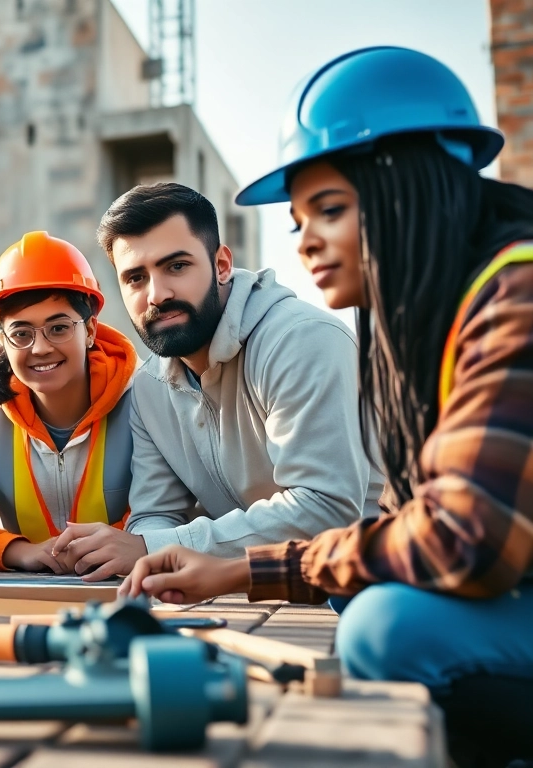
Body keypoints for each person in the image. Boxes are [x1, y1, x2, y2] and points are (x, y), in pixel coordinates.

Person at [122, 47, 533, 766]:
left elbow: (468, 540)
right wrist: (244, 567)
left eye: (332, 210)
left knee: (386, 627)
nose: (305, 241)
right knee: (361, 600)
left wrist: (247, 570)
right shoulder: (436, 311)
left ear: (408, 187)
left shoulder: (516, 298)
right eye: (299, 219)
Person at [65, 182, 383, 581]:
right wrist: (145, 557)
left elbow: (325, 511)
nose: (157, 295)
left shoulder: (301, 340)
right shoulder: (149, 386)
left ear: (221, 265)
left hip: (362, 586)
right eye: (135, 278)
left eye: (176, 266)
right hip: (235, 591)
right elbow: (155, 515)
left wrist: (154, 549)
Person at [0, 232, 138, 573]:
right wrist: (19, 551)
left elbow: (167, 512)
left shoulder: (144, 401)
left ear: (90, 329)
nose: (40, 347)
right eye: (21, 333)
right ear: (2, 338)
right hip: (25, 598)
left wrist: (95, 549)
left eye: (58, 328)